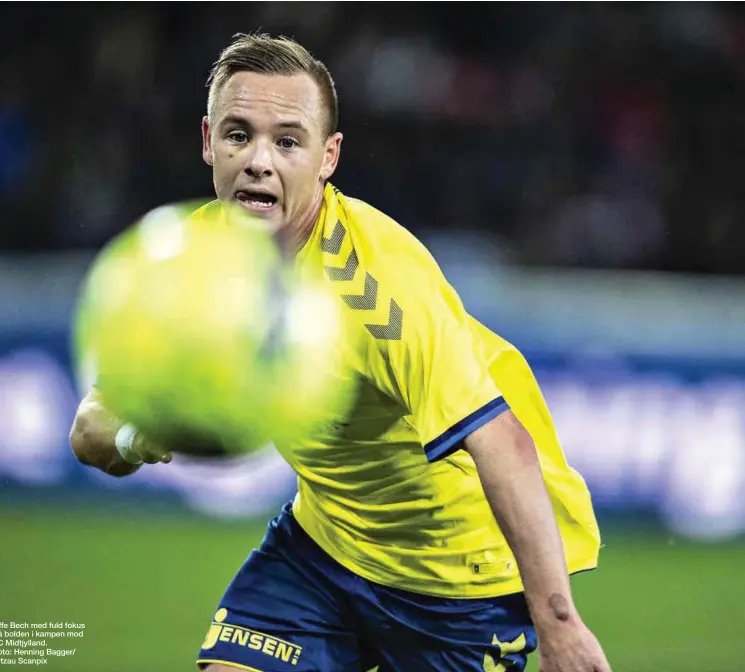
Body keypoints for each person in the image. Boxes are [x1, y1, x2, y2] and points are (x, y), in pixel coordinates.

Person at [69, 32, 612, 672]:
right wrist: (138, 433)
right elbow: (90, 428)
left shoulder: (377, 285)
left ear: (328, 158)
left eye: (288, 141)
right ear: (208, 141)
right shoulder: (190, 259)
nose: (259, 162)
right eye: (239, 134)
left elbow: (503, 444)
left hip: (457, 581)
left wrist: (561, 625)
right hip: (322, 552)